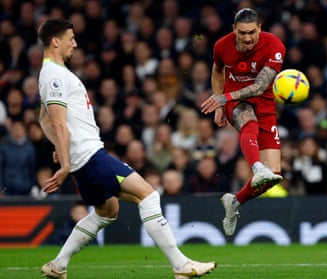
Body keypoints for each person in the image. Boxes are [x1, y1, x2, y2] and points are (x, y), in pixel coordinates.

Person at [37, 18, 215, 279]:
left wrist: (63, 150)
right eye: (70, 38)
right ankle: (181, 265)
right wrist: (64, 163)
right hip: (89, 156)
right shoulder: (54, 75)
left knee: (107, 212)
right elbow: (57, 123)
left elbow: (44, 120)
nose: (75, 44)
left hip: (82, 157)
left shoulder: (50, 73)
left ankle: (58, 265)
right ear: (55, 41)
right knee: (149, 195)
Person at [200, 8, 285, 236]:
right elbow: (217, 71)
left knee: (274, 174)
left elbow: (259, 86)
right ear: (234, 30)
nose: (247, 38)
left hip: (264, 103)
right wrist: (221, 103)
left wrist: (222, 98)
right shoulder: (221, 46)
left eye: (251, 32)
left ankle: (235, 201)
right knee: (249, 122)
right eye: (242, 33)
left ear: (260, 28)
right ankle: (257, 168)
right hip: (236, 99)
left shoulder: (275, 46)